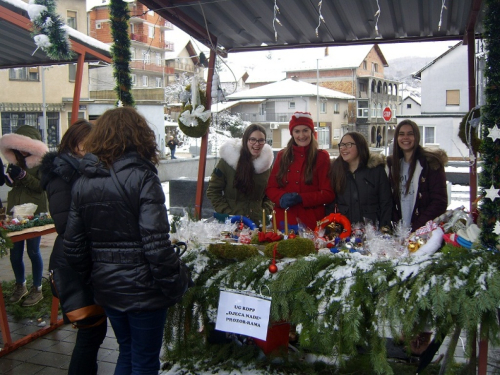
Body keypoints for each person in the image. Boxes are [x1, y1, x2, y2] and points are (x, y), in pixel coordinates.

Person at [63, 107, 189, 375]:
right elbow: (156, 245)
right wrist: (176, 282)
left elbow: (73, 245)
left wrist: (97, 275)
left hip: (108, 288)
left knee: (127, 351)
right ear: (139, 136)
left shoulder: (82, 181)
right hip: (144, 289)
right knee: (143, 360)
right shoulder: (142, 176)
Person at [40, 119, 107, 375]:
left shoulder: (80, 169)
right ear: (79, 143)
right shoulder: (61, 174)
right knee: (90, 333)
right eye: (94, 142)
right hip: (74, 264)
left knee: (94, 332)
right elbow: (65, 224)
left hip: (85, 260)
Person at [0, 125, 48, 306]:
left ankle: (37, 289)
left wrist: (23, 175)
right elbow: (15, 185)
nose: (20, 150)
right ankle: (20, 286)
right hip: (16, 213)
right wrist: (10, 178)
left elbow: (40, 186)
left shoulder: (42, 162)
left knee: (34, 251)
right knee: (15, 253)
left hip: (35, 213)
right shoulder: (16, 159)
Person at [266, 111, 335, 232]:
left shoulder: (321, 157)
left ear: (312, 132)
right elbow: (271, 188)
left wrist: (302, 198)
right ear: (292, 133)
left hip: (311, 223)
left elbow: (328, 193)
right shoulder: (282, 156)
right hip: (283, 222)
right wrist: (281, 198)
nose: (301, 135)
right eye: (297, 131)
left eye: (305, 130)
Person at [206, 124, 274, 226]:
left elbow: (271, 193)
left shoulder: (267, 165)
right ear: (246, 140)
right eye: (252, 139)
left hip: (257, 223)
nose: (257, 144)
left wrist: (264, 212)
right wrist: (229, 214)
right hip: (231, 224)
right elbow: (213, 191)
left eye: (261, 140)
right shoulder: (228, 162)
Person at [387, 119, 448, 232]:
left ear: (417, 137)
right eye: (401, 134)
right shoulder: (391, 165)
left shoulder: (430, 163)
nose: (405, 137)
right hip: (400, 233)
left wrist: (417, 228)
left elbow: (439, 202)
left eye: (410, 134)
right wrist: (397, 227)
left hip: (424, 232)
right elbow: (388, 200)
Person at [327, 132, 392, 229]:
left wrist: (385, 229)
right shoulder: (336, 171)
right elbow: (331, 205)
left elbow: (386, 203)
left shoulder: (376, 171)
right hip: (345, 233)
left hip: (372, 233)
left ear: (360, 146)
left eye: (348, 145)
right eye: (342, 145)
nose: (343, 148)